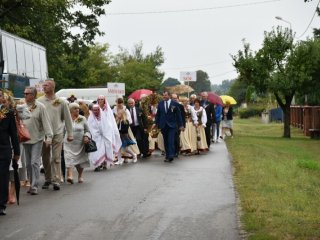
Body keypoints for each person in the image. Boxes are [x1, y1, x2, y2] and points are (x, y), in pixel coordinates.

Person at [38, 79, 73, 191]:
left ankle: (56, 179)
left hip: (57, 132)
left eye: (46, 85)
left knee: (56, 157)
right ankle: (48, 179)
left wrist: (70, 133)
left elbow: (67, 118)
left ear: (53, 87)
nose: (44, 87)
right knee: (45, 157)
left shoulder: (60, 102)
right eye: (43, 85)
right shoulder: (39, 101)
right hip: (43, 134)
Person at [22, 87, 53, 195]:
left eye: (27, 93)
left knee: (34, 162)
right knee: (28, 164)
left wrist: (49, 137)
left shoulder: (40, 107)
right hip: (25, 139)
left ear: (34, 95)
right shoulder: (21, 106)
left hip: (37, 139)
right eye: (24, 93)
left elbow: (46, 123)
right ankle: (31, 183)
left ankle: (34, 186)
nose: (25, 95)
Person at [0, 89, 20, 216]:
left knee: (2, 178)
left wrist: (16, 152)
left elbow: (14, 134)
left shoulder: (8, 113)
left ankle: (1, 204)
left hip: (3, 150)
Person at [88, 104, 120, 170]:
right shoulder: (90, 118)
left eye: (97, 110)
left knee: (104, 150)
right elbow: (90, 128)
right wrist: (95, 133)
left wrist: (105, 133)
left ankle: (104, 163)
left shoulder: (104, 117)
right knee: (97, 151)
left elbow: (108, 127)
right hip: (95, 138)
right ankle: (98, 164)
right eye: (94, 110)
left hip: (104, 136)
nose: (96, 111)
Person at [64, 103, 90, 183]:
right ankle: (70, 176)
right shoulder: (66, 118)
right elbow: (61, 130)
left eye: (78, 108)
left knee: (80, 161)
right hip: (68, 143)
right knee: (69, 158)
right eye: (75, 108)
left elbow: (87, 130)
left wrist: (86, 136)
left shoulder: (82, 119)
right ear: (70, 110)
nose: (77, 110)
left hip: (80, 144)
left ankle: (80, 176)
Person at [154, 91, 184, 162]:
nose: (164, 96)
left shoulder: (175, 104)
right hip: (163, 125)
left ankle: (171, 155)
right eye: (163, 95)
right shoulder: (160, 104)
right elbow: (158, 115)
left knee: (170, 140)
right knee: (166, 141)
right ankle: (167, 156)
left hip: (172, 125)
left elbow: (179, 115)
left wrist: (181, 125)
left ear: (169, 96)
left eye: (165, 95)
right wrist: (155, 123)